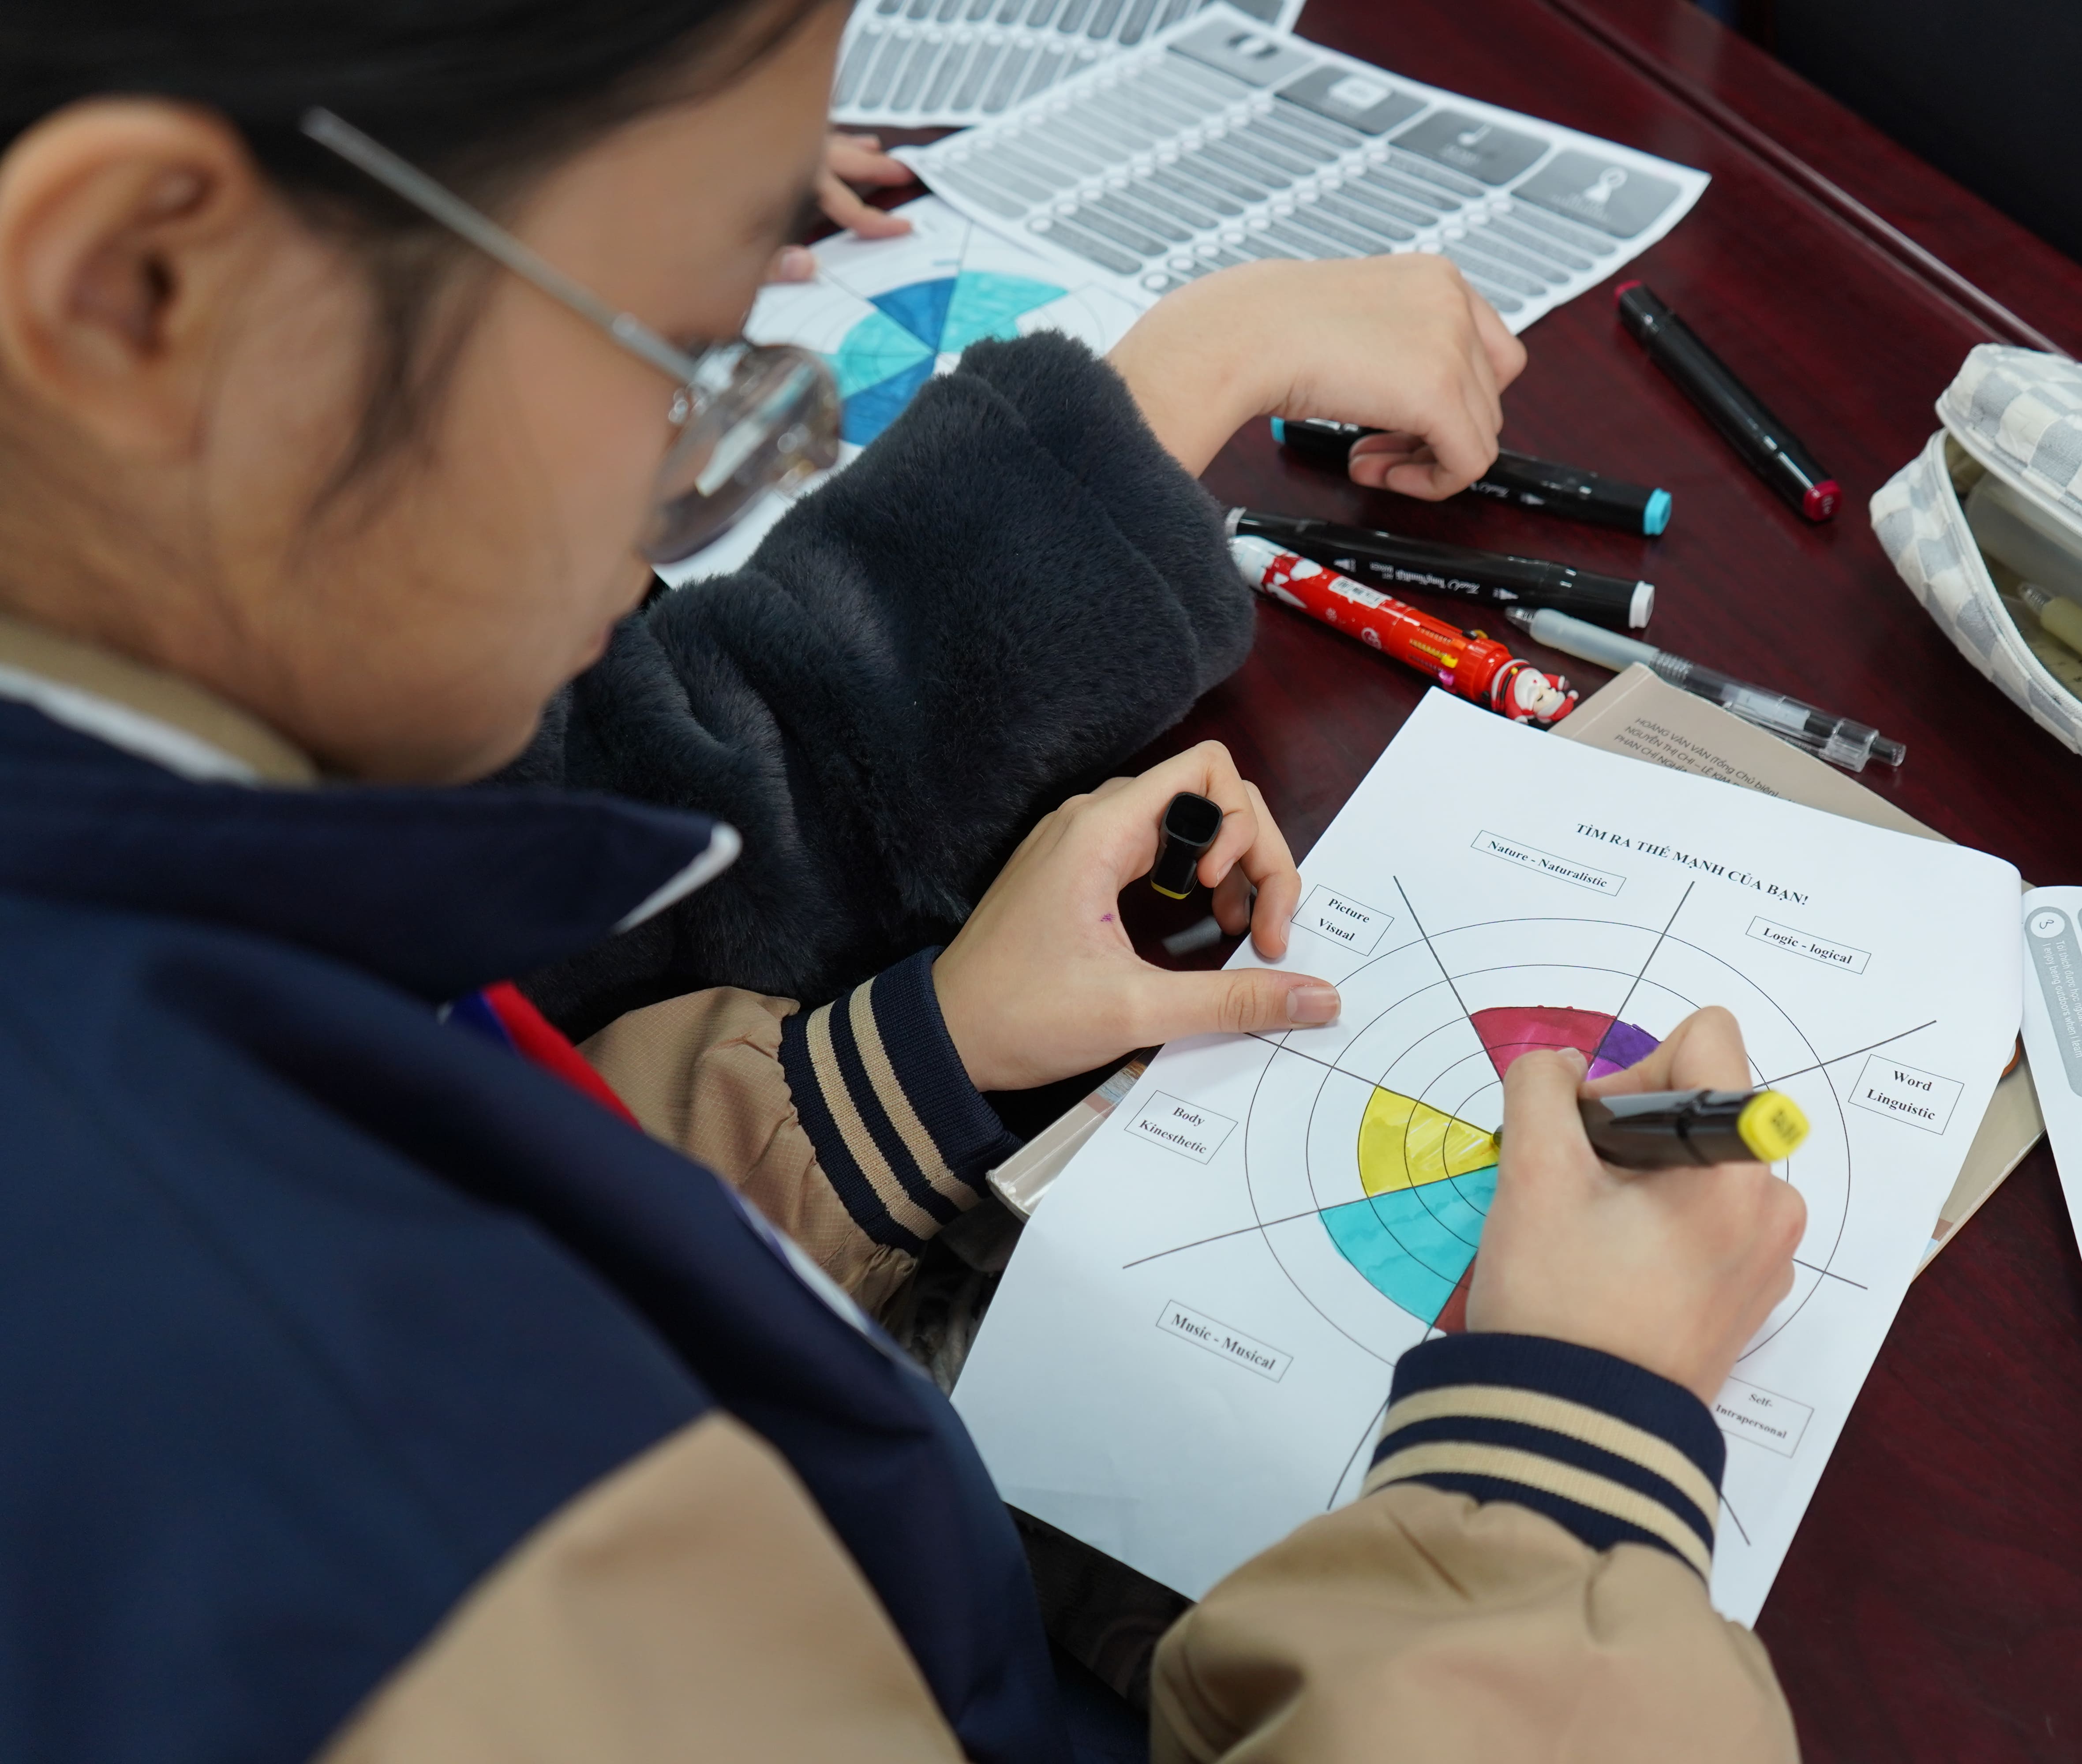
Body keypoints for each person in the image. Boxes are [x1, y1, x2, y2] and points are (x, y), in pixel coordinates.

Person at [0, 1, 1810, 1759]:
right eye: (682, 351)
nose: (668, 535)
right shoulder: (365, 1518)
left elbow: (478, 1170)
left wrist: (890, 1075)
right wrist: (1568, 1448)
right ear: (133, 284)